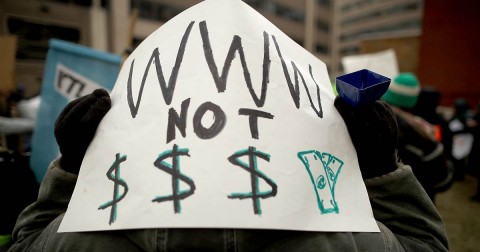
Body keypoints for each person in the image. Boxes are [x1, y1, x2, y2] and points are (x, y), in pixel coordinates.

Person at [7, 89, 448, 251]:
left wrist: (73, 167)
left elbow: (24, 243)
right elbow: (425, 244)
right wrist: (379, 168)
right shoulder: (345, 234)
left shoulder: (81, 232)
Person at [381, 73, 451, 202]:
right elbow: (442, 180)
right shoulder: (424, 134)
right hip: (417, 207)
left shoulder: (372, 123)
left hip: (379, 207)